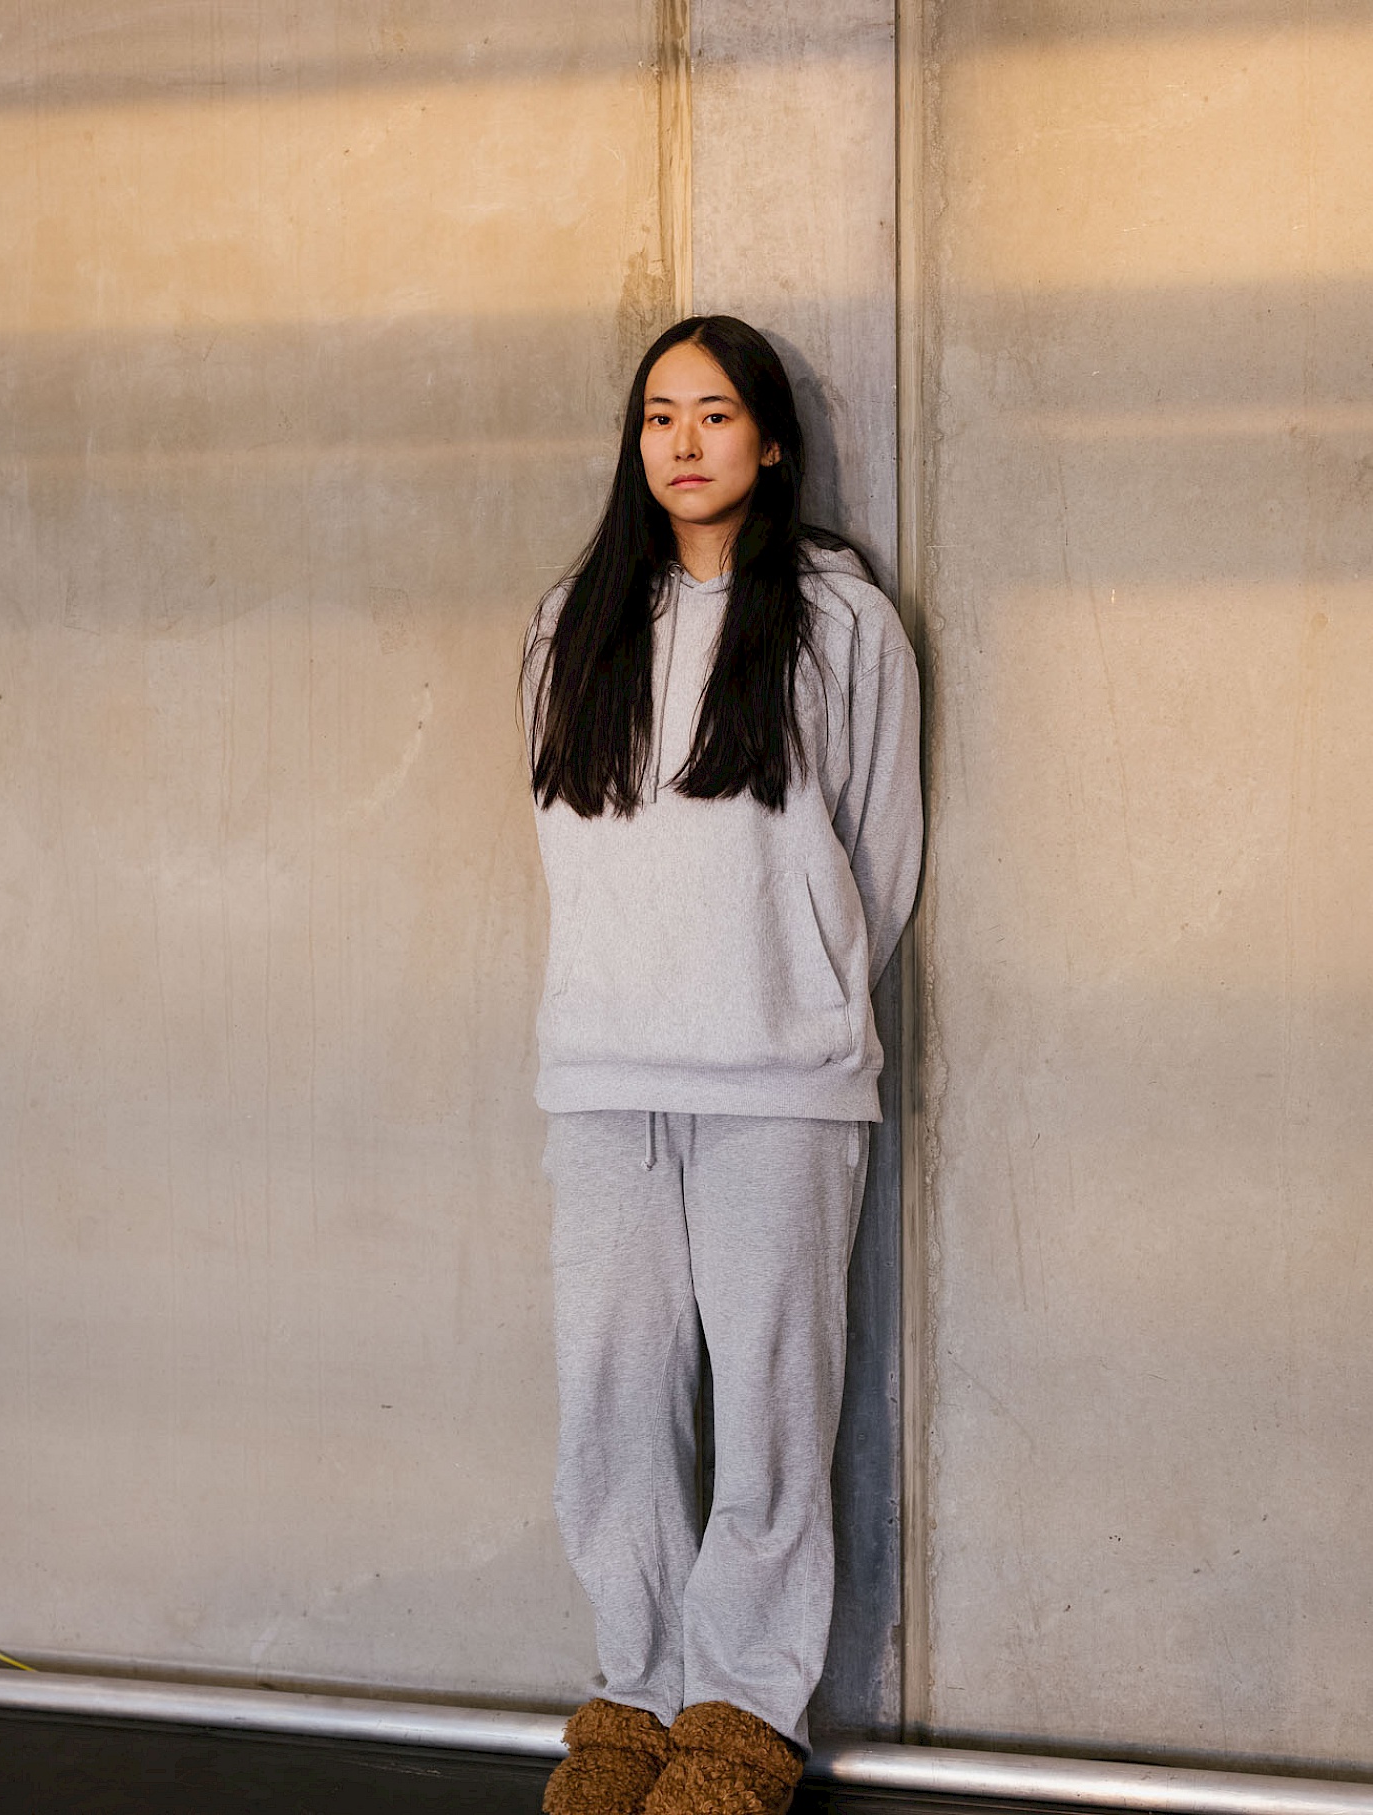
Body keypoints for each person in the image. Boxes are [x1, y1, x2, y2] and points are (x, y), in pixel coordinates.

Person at [522, 316, 922, 1815]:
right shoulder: (573, 621)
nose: (684, 442)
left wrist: (801, 993)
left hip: (782, 1080)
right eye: (657, 417)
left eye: (716, 413)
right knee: (611, 1398)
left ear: (769, 441)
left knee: (770, 1397)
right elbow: (564, 842)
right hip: (604, 1077)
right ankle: (630, 1698)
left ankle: (742, 1715)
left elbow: (879, 858)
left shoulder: (840, 626)